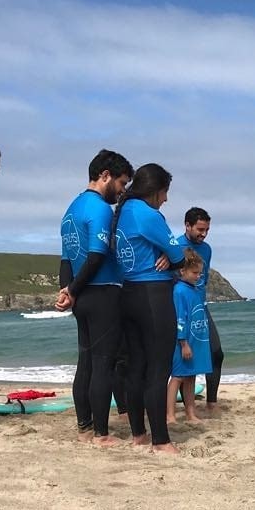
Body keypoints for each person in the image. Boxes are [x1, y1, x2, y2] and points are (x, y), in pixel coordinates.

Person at [56, 149, 133, 446]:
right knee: (103, 364)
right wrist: (73, 290)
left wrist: (68, 290)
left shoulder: (71, 209)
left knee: (86, 363)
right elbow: (97, 256)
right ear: (105, 176)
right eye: (121, 182)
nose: (122, 190)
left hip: (83, 297)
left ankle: (84, 428)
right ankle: (101, 434)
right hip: (102, 294)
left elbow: (65, 258)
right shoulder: (100, 208)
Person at [111, 163, 185, 454]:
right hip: (153, 295)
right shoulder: (148, 214)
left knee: (136, 368)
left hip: (127, 294)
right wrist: (170, 257)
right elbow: (178, 256)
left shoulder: (123, 213)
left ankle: (139, 434)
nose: (165, 200)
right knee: (158, 370)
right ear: (155, 191)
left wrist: (166, 256)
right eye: (165, 193)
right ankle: (161, 442)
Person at [178, 207, 224, 411]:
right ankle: (186, 407)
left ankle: (211, 402)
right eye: (199, 229)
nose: (203, 234)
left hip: (201, 307)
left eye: (207, 230)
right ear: (187, 225)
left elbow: (201, 280)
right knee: (185, 358)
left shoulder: (207, 249)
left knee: (216, 353)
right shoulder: (176, 246)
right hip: (182, 308)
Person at [167, 248, 212, 424]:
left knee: (191, 376)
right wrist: (183, 343)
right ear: (182, 271)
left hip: (196, 340)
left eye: (200, 273)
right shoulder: (179, 291)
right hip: (184, 342)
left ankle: (190, 413)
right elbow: (180, 318)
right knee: (177, 377)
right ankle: (170, 415)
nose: (198, 276)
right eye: (195, 272)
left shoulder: (194, 290)